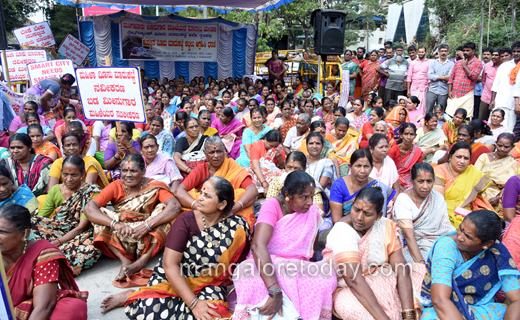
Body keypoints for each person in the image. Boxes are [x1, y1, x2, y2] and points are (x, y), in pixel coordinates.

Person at [98, 177, 252, 319]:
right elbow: (169, 264)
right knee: (150, 309)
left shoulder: (237, 226)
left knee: (212, 314)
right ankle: (133, 294)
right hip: (176, 276)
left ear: (222, 204)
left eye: (207, 196)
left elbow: (239, 261)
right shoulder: (186, 220)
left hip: (211, 283)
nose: (199, 198)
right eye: (201, 192)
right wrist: (194, 303)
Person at [233, 171, 337, 320]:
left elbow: (310, 249)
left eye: (311, 196)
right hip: (268, 263)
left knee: (326, 274)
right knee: (245, 271)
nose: (310, 202)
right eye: (303, 197)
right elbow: (258, 246)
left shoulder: (312, 211)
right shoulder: (273, 205)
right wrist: (275, 292)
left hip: (297, 267)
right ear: (287, 194)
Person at [323, 187, 425, 320]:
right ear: (352, 205)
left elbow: (400, 268)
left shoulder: (386, 226)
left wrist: (408, 314)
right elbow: (354, 280)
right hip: (348, 286)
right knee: (347, 306)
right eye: (356, 210)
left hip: (382, 278)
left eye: (367, 214)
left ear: (379, 216)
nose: (359, 218)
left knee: (421, 273)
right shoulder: (342, 230)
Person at [84, 154, 182, 282]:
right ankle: (124, 259)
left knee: (165, 213)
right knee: (99, 215)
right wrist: (115, 224)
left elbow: (175, 206)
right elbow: (89, 208)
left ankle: (143, 260)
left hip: (146, 236)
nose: (128, 175)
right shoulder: (116, 185)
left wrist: (147, 225)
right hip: (122, 234)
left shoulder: (155, 185)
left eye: (133, 171)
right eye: (124, 170)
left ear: (143, 172)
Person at [421, 210, 520, 320]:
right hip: (448, 307)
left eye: (468, 237)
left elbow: (515, 300)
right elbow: (440, 300)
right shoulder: (446, 246)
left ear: (487, 244)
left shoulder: (497, 252)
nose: (460, 237)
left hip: (481, 307)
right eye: (460, 229)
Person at [0, 204, 88, 319]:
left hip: (34, 309)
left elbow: (44, 307)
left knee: (72, 308)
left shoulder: (42, 254)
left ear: (25, 234)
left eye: (3, 232)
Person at [32, 156, 103, 276]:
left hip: (82, 234)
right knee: (31, 222)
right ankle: (45, 257)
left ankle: (53, 266)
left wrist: (58, 242)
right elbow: (42, 217)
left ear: (83, 174)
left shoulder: (91, 191)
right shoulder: (55, 190)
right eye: (65, 174)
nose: (69, 179)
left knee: (91, 250)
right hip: (59, 228)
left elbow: (82, 227)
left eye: (74, 175)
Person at [174, 137, 258, 230]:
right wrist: (198, 206)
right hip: (205, 214)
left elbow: (252, 190)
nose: (216, 156)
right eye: (211, 152)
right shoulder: (201, 169)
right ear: (205, 153)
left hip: (229, 212)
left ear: (225, 152)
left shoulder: (232, 166)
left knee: (241, 194)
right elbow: (180, 191)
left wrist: (235, 207)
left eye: (219, 151)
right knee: (190, 197)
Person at [392, 163, 455, 263]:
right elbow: (409, 236)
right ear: (412, 182)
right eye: (420, 181)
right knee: (435, 263)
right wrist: (420, 262)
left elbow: (445, 228)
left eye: (429, 181)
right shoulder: (403, 200)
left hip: (438, 242)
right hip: (411, 245)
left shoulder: (437, 197)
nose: (425, 186)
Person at [329, 149, 395, 229]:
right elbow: (337, 221)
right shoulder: (339, 185)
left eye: (366, 166)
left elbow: (379, 218)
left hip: (371, 228)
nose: (362, 171)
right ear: (350, 167)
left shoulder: (378, 187)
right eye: (358, 166)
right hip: (345, 228)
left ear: (371, 168)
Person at [434, 142, 495, 227]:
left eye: (466, 158)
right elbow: (438, 202)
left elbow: (476, 196)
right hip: (443, 213)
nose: (462, 161)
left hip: (467, 213)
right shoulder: (439, 171)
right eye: (458, 157)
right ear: (450, 156)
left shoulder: (474, 173)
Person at [474, 132, 517, 211]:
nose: (502, 149)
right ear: (496, 143)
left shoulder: (512, 162)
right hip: (478, 192)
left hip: (500, 197)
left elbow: (511, 185)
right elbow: (474, 176)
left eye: (506, 147)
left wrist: (498, 198)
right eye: (499, 145)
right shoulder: (484, 157)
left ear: (512, 147)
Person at [446, 42, 484, 118]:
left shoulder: (478, 63)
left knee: (465, 117)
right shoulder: (458, 62)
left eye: (468, 50)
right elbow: (451, 77)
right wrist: (449, 91)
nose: (465, 52)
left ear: (473, 51)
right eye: (464, 50)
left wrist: (465, 66)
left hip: (467, 93)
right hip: (454, 93)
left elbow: (474, 77)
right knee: (449, 115)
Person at [493, 41, 520, 132]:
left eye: (518, 51)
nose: (516, 53)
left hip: (515, 104)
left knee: (512, 129)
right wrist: (492, 100)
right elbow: (496, 84)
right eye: (514, 51)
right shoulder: (504, 66)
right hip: (502, 100)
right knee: (498, 127)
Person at [388, 123, 424, 189]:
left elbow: (419, 169)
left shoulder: (417, 151)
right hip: (393, 178)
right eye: (406, 134)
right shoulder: (393, 150)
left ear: (415, 136)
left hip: (411, 179)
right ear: (401, 135)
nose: (408, 137)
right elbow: (388, 169)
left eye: (411, 134)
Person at [426, 44, 454, 114]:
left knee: (441, 111)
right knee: (428, 110)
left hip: (444, 92)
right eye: (442, 51)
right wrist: (443, 77)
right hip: (432, 90)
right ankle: (427, 124)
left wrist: (437, 77)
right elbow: (430, 76)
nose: (443, 53)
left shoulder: (451, 64)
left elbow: (450, 78)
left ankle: (440, 124)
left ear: (448, 52)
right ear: (438, 52)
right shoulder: (433, 63)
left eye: (445, 51)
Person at [480, 48, 502, 121]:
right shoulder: (487, 66)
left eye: (496, 55)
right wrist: (487, 90)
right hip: (486, 97)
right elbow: (483, 80)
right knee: (482, 119)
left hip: (498, 98)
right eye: (493, 55)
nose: (494, 57)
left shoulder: (503, 67)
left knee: (495, 120)